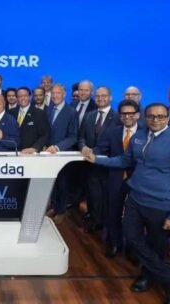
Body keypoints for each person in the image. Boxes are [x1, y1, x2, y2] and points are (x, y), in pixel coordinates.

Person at [86, 103, 170, 304]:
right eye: (151, 116)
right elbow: (124, 160)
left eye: (160, 116)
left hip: (161, 204)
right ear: (145, 117)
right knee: (131, 236)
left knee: (156, 245)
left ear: (168, 118)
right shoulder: (138, 137)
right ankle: (168, 276)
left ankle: (150, 277)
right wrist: (97, 160)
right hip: (135, 198)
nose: (155, 120)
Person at [92, 99, 143, 258]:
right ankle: (115, 243)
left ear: (138, 115)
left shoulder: (146, 132)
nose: (127, 117)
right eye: (123, 114)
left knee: (136, 216)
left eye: (131, 113)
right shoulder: (112, 132)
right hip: (115, 177)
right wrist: (89, 151)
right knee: (113, 212)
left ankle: (133, 249)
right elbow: (101, 149)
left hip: (139, 180)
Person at [79, 86, 120, 232]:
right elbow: (81, 136)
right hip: (89, 163)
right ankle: (94, 219)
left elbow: (115, 141)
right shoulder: (89, 116)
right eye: (98, 96)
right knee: (92, 193)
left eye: (104, 96)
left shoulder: (118, 117)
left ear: (110, 98)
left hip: (108, 164)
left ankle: (104, 223)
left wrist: (94, 152)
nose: (100, 99)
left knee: (106, 197)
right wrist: (83, 147)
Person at [44, 83, 78, 225]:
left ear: (64, 94)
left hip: (62, 154)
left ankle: (62, 211)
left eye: (58, 93)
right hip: (47, 153)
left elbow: (73, 136)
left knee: (63, 183)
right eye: (53, 93)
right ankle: (54, 207)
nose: (55, 96)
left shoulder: (71, 112)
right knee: (53, 183)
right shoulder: (48, 109)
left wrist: (57, 147)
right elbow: (46, 131)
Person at [9, 87, 49, 154]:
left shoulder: (39, 113)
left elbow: (44, 135)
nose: (22, 98)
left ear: (30, 97)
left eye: (25, 96)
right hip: (13, 152)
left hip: (31, 153)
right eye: (20, 96)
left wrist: (35, 148)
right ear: (17, 98)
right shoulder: (11, 112)